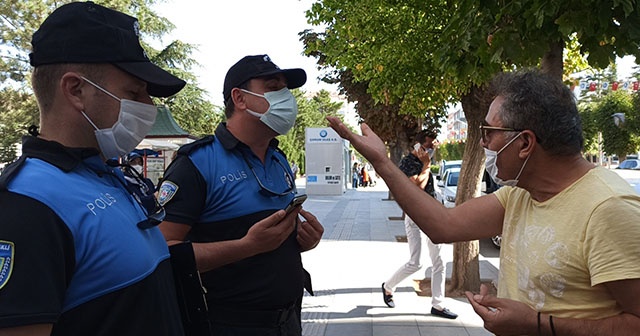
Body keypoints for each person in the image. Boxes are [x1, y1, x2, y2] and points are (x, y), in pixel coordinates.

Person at [327, 69, 640, 335]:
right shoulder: (520, 193)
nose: (482, 143)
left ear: (525, 143)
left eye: (489, 132)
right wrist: (383, 163)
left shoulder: (609, 209)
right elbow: (442, 225)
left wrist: (537, 324)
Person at [0, 2, 187, 335]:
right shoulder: (27, 205)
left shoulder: (109, 175)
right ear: (76, 90)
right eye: (134, 92)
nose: (149, 107)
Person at [158, 54, 324, 336]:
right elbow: (161, 252)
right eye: (273, 88)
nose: (286, 98)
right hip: (227, 324)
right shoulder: (198, 164)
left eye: (286, 90)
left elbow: (273, 236)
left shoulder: (278, 158)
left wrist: (301, 240)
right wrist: (247, 246)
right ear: (240, 98)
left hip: (289, 320)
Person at [381, 130, 458, 319]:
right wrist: (425, 166)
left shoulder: (426, 162)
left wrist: (427, 165)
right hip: (415, 216)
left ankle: (438, 305)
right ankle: (388, 286)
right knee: (416, 262)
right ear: (418, 145)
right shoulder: (407, 163)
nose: (432, 148)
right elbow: (417, 188)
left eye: (433, 145)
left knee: (438, 261)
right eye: (429, 145)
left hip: (433, 213)